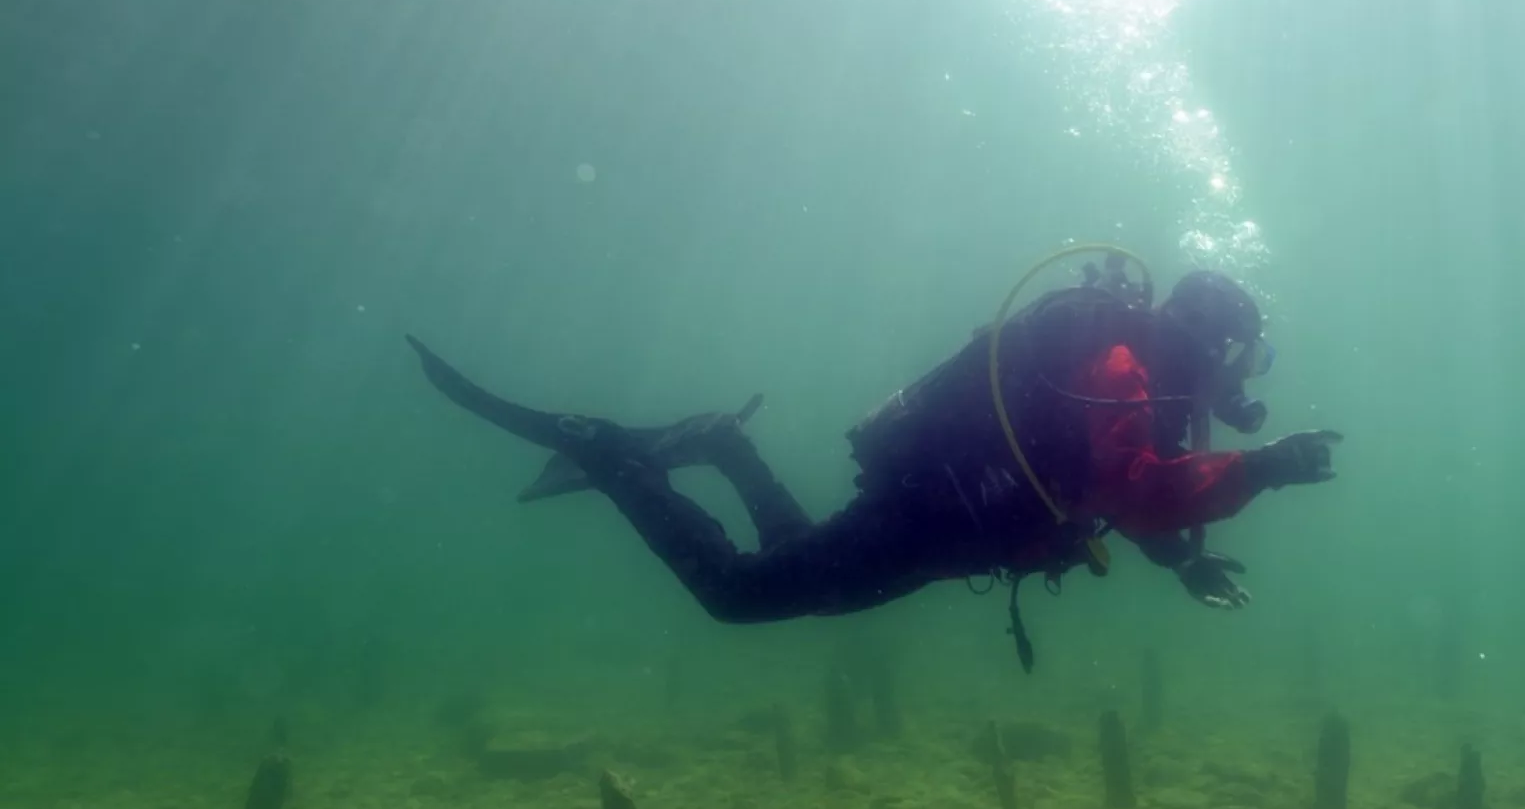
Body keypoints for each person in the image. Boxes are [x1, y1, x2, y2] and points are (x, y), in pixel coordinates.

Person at [406, 254, 1341, 667]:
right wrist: (1262, 470)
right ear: (1218, 343)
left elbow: (1123, 482)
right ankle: (607, 451)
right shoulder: (1126, 367)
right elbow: (1135, 490)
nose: (1240, 380)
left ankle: (727, 444)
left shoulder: (1142, 382)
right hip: (936, 513)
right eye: (1244, 357)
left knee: (803, 579)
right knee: (738, 598)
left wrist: (1185, 562)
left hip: (947, 525)